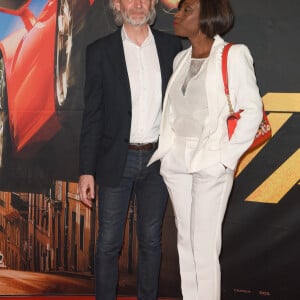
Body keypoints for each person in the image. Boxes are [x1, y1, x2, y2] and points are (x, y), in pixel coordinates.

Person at [148, 0, 263, 299]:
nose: (178, 15)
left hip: (211, 160)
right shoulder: (181, 59)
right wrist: (169, 153)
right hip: (177, 161)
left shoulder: (233, 55)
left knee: (203, 246)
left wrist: (226, 160)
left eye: (187, 10)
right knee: (185, 242)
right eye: (180, 9)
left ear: (208, 16)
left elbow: (252, 111)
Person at [78, 0, 182, 299]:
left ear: (153, 3)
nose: (137, 4)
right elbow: (92, 115)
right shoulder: (99, 51)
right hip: (115, 162)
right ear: (116, 4)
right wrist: (86, 170)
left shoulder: (172, 47)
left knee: (151, 241)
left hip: (157, 161)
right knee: (109, 243)